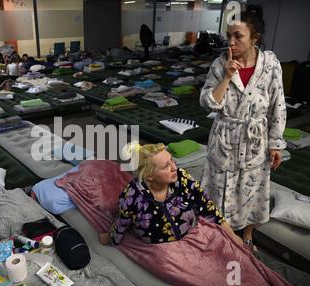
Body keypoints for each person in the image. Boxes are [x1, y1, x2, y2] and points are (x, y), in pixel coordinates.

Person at [199, 5, 286, 252]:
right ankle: (222, 234)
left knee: (252, 187)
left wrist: (275, 143)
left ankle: (247, 235)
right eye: (229, 36)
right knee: (219, 187)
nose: (232, 42)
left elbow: (277, 105)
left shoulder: (270, 64)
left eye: (238, 36)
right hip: (225, 137)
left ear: (255, 38)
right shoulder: (220, 64)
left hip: (254, 140)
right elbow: (207, 102)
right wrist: (227, 76)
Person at [99, 143, 243, 246]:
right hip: (160, 250)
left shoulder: (182, 178)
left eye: (172, 161)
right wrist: (111, 238)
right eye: (166, 166)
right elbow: (121, 223)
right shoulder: (131, 197)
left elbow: (207, 207)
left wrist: (232, 235)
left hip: (193, 235)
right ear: (149, 176)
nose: (174, 168)